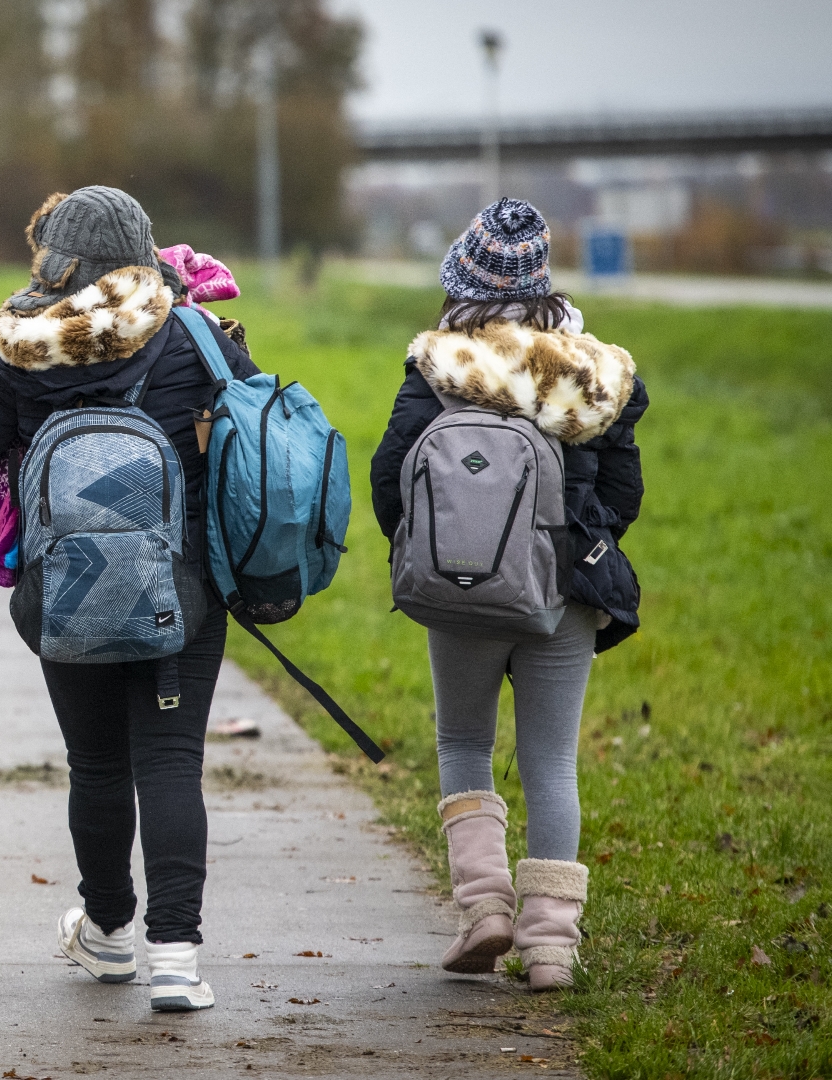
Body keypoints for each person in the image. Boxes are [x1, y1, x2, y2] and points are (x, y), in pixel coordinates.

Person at [0, 186, 260, 1012]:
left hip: (66, 591)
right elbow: (255, 444)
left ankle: (110, 935)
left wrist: (27, 461)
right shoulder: (192, 331)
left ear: (59, 261)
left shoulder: (26, 348)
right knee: (171, 760)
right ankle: (178, 956)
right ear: (144, 252)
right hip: (181, 593)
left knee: (99, 763)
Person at [369, 198, 646, 990]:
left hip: (465, 588)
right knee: (551, 760)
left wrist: (442, 549)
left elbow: (392, 481)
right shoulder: (591, 375)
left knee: (464, 743)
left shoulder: (437, 369)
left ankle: (484, 909)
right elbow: (624, 495)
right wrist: (570, 541)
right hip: (564, 592)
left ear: (461, 285)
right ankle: (552, 946)